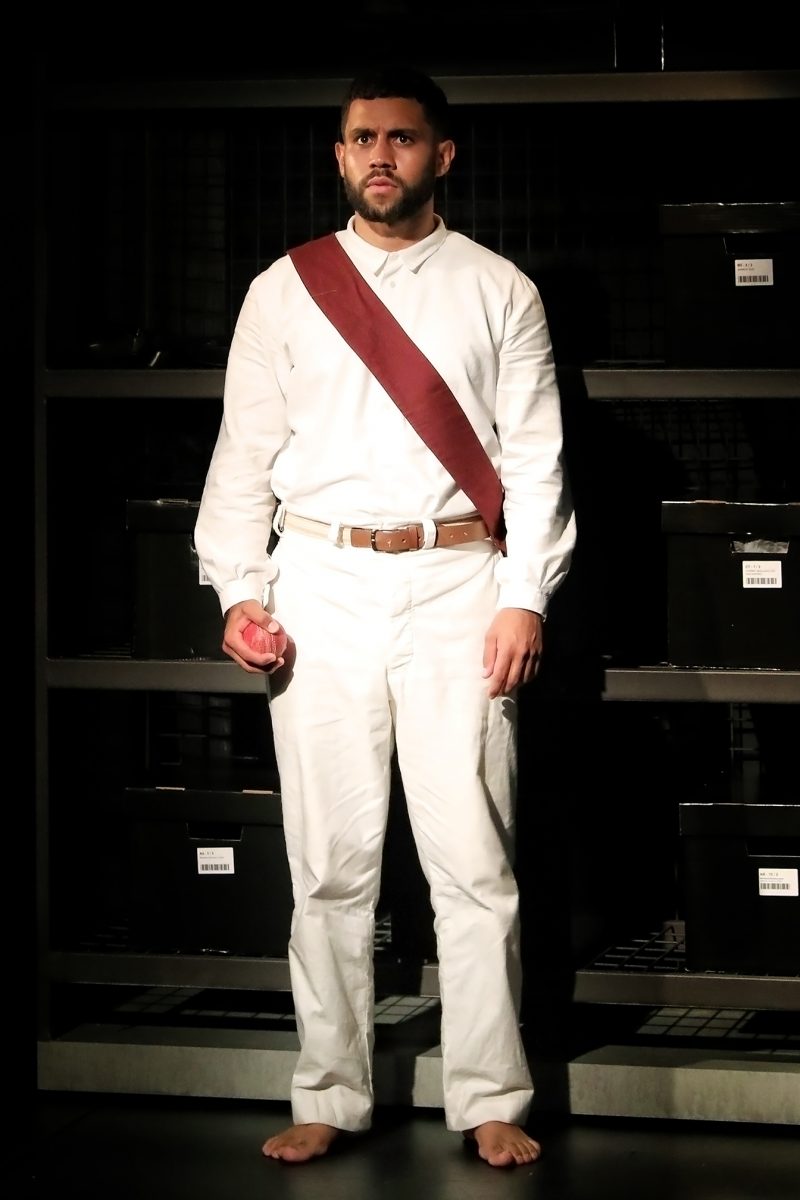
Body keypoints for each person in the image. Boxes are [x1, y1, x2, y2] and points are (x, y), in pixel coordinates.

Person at [194, 65, 576, 1169]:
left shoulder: (499, 290)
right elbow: (243, 457)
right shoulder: (283, 289)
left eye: (401, 139)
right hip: (320, 582)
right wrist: (240, 591)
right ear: (338, 153)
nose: (379, 156)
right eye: (361, 138)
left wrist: (522, 597)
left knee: (470, 857)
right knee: (326, 862)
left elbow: (538, 462)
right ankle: (328, 1089)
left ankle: (489, 1094)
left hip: (459, 583)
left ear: (439, 156)